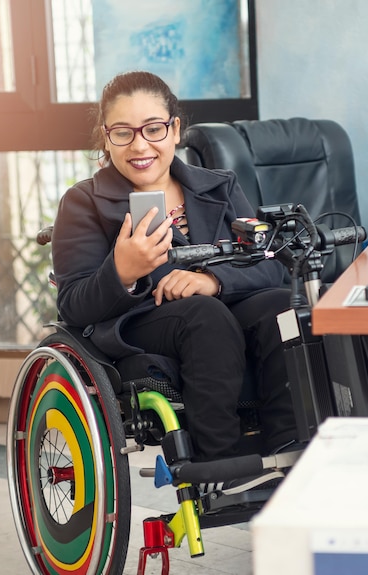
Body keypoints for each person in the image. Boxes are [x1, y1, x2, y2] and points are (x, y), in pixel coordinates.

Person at [51, 70, 298, 462]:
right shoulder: (84, 203)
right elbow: (73, 305)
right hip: (138, 321)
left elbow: (271, 264)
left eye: (153, 129)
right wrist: (123, 271)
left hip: (218, 304)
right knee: (203, 316)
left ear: (175, 129)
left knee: (281, 304)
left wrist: (214, 280)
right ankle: (219, 462)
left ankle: (289, 449)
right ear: (106, 136)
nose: (140, 145)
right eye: (123, 132)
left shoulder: (219, 186)